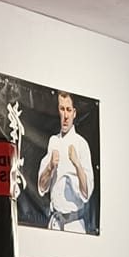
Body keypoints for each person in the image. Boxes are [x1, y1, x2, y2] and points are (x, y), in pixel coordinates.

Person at [37, 92, 95, 231]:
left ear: (74, 113)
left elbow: (87, 193)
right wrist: (50, 167)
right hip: (55, 222)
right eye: (62, 109)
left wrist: (77, 164)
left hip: (74, 224)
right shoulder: (53, 141)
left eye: (68, 110)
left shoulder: (81, 144)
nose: (65, 115)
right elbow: (42, 187)